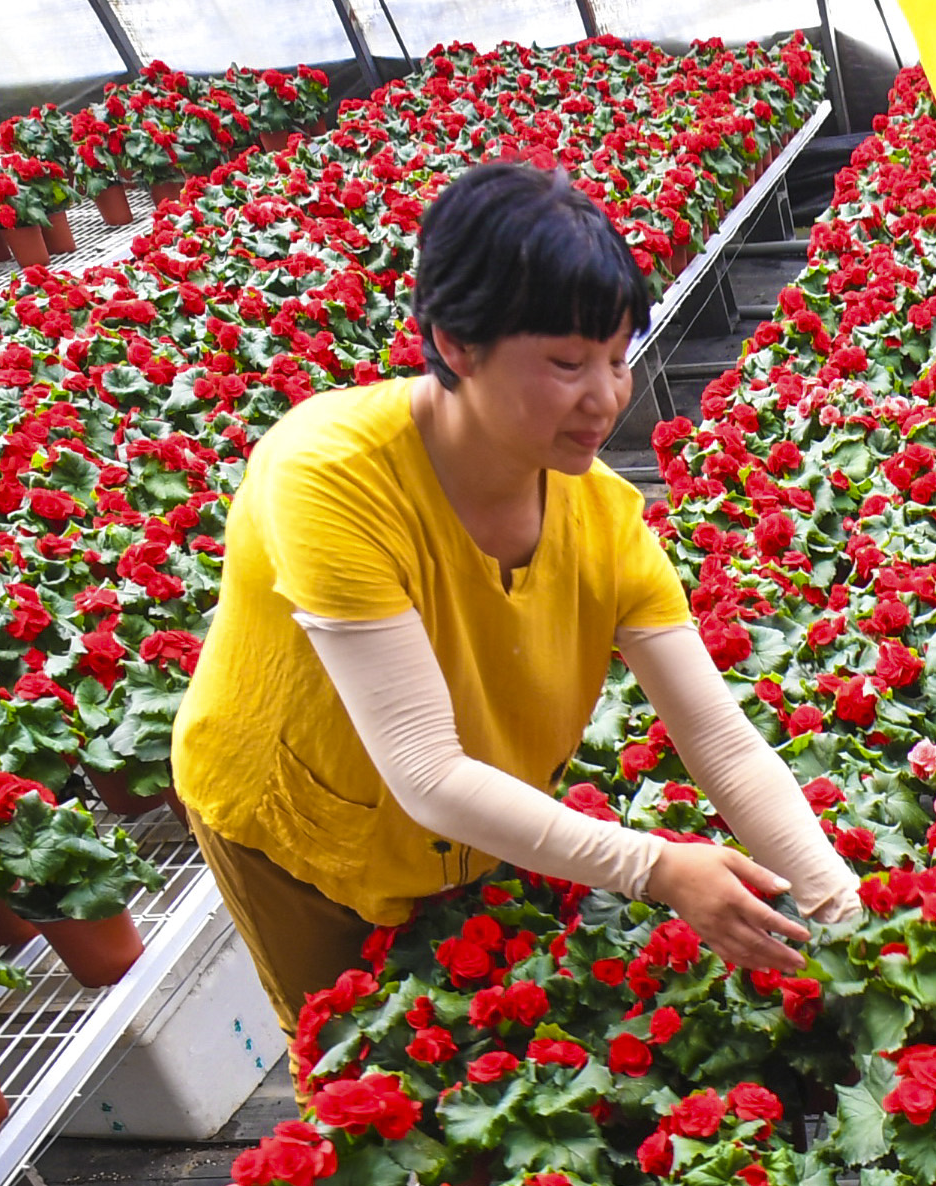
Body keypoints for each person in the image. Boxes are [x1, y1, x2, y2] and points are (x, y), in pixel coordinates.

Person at [171, 163, 859, 1027]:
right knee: (354, 1056)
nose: (607, 397)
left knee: (471, 1027)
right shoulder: (330, 472)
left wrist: (839, 907)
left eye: (617, 358)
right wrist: (656, 868)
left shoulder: (603, 516)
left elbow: (718, 740)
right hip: (302, 824)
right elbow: (424, 770)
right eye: (568, 362)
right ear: (456, 344)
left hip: (468, 810)